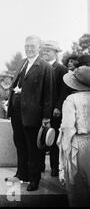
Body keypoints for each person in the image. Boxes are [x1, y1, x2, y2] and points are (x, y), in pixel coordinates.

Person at [7, 35, 54, 191]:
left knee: (33, 148)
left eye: (32, 46)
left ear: (39, 48)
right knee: (19, 144)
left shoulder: (46, 67)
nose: (28, 48)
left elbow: (48, 95)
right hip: (16, 112)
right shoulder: (22, 63)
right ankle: (22, 174)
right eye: (26, 45)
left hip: (33, 115)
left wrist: (46, 117)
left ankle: (34, 179)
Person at [57, 66, 90, 206]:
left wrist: (62, 163)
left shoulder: (71, 99)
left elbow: (68, 128)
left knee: (78, 190)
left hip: (79, 145)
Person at [39, 40, 72, 176]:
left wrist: (58, 107)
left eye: (49, 50)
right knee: (40, 138)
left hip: (55, 111)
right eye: (44, 50)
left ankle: (54, 167)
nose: (45, 52)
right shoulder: (39, 67)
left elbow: (64, 91)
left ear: (56, 53)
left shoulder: (62, 69)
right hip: (40, 110)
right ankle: (40, 166)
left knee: (53, 139)